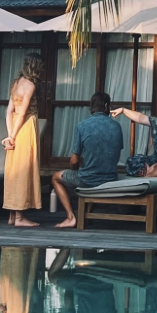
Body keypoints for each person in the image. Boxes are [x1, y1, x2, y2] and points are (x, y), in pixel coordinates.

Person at [52, 91, 123, 229]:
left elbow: (74, 160)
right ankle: (87, 215)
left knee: (56, 177)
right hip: (110, 177)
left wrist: (75, 169)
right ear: (107, 106)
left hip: (88, 179)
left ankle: (71, 217)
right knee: (96, 171)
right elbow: (116, 155)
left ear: (91, 107)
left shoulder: (82, 126)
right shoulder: (117, 126)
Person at [3, 53, 43, 228]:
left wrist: (10, 134)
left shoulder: (15, 83)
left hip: (15, 130)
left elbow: (9, 111)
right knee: (23, 170)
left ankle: (12, 215)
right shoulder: (30, 85)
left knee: (13, 170)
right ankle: (19, 217)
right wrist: (13, 136)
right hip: (26, 128)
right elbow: (23, 112)